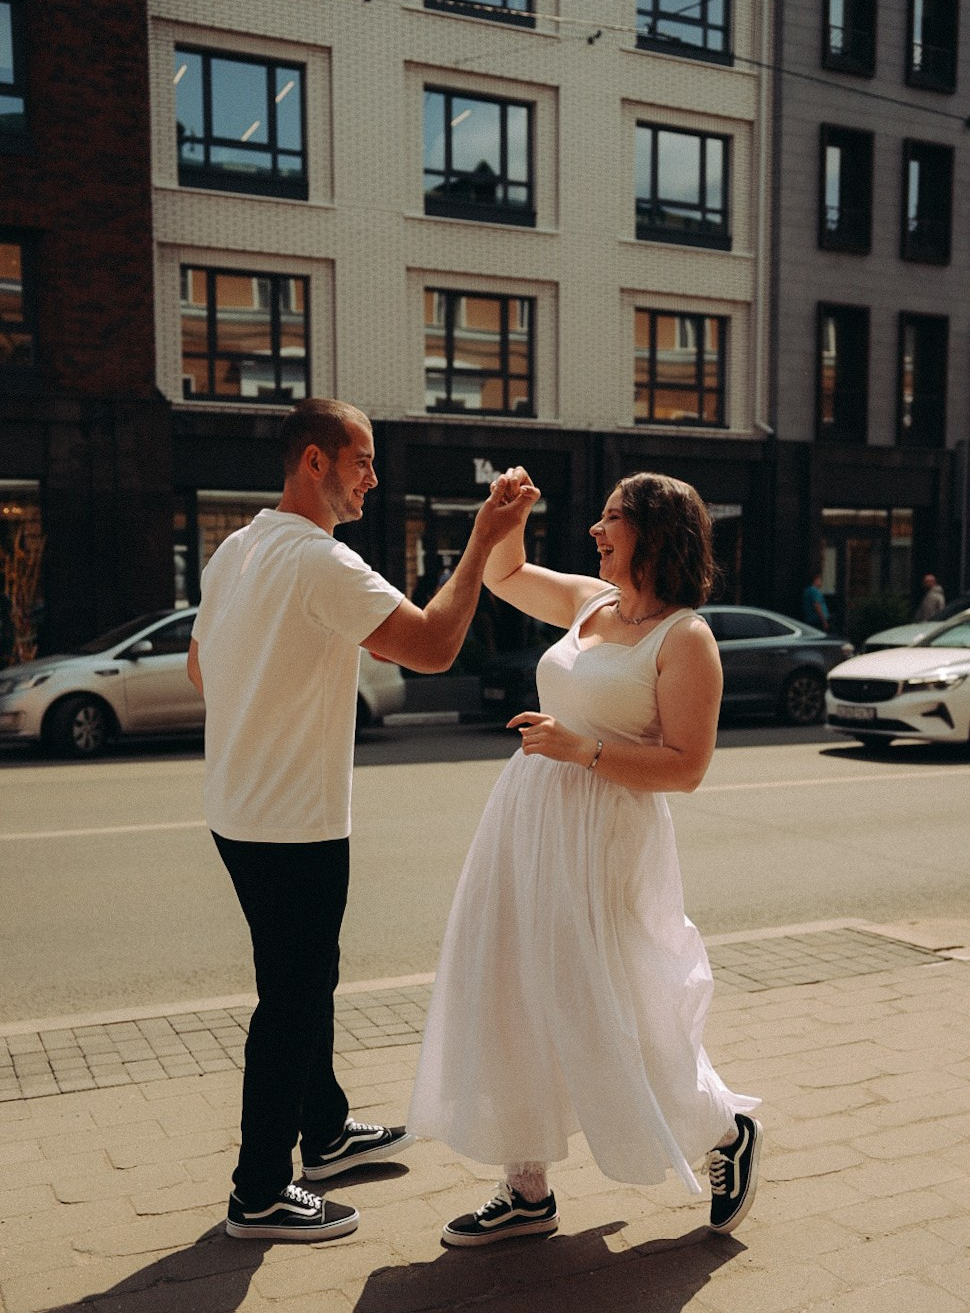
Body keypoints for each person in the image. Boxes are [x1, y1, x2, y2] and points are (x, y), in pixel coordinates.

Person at [187, 398, 533, 1244]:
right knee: (293, 998)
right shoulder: (319, 562)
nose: (373, 478)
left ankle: (328, 1131)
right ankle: (260, 1191)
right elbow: (436, 646)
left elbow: (200, 669)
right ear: (314, 461)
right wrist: (483, 538)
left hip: (237, 810)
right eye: (361, 461)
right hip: (293, 821)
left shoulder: (236, 549)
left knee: (311, 978)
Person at [408, 468, 762, 1246]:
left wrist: (584, 748)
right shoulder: (589, 601)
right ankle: (527, 1186)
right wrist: (511, 514)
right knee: (512, 984)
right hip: (529, 820)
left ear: (652, 532)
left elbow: (687, 766)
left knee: (615, 1003)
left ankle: (724, 1130)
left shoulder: (686, 638)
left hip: (606, 837)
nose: (595, 533)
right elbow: (502, 574)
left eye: (609, 519)